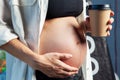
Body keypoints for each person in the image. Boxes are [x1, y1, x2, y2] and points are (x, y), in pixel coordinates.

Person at [0, 0, 114, 80]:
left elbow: (70, 19)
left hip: (77, 73)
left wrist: (86, 26)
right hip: (39, 71)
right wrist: (36, 61)